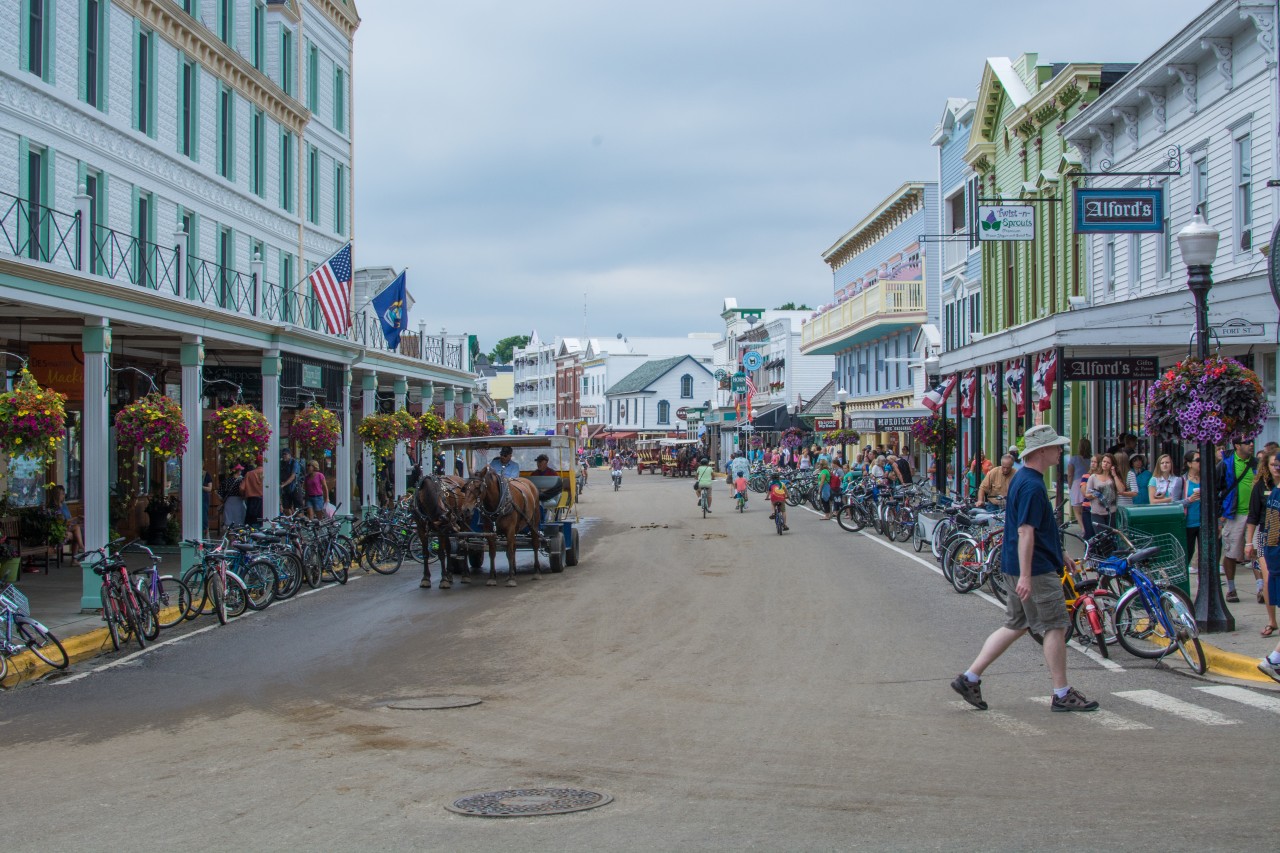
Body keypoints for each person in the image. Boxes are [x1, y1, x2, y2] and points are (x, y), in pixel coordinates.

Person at [952, 424, 1098, 713]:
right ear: (1041, 451)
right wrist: (1028, 576)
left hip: (1019, 564)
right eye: (1056, 447)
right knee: (1056, 625)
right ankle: (1061, 692)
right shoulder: (1032, 485)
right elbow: (1026, 532)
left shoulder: (1023, 480)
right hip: (1035, 569)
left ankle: (969, 677)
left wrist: (1062, 553)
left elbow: (1038, 529)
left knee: (1017, 623)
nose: (1061, 451)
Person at [1216, 437, 1259, 603]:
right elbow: (1216, 488)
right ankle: (1231, 589)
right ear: (1237, 446)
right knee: (1230, 553)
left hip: (1254, 515)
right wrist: (1220, 514)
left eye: (1252, 442)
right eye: (1247, 442)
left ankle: (1260, 588)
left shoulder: (1256, 464)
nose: (1251, 445)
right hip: (1233, 514)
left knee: (1256, 552)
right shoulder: (1226, 464)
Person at [1246, 450, 1280, 629]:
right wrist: (1248, 541)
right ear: (1266, 466)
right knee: (1268, 578)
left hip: (1276, 536)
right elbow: (1252, 515)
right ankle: (1271, 620)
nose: (1276, 468)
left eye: (1278, 464)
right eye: (1273, 464)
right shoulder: (1262, 485)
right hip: (1264, 534)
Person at [1086, 454, 1121, 530]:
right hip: (1097, 513)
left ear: (1112, 465)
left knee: (1111, 537)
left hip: (1111, 512)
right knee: (1101, 537)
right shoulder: (1093, 477)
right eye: (1104, 461)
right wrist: (1094, 495)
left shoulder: (1113, 478)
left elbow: (1121, 490)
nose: (1105, 464)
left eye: (1108, 462)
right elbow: (1087, 495)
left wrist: (1115, 475)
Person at [47, 484, 83, 555]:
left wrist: (76, 519)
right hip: (58, 529)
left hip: (67, 526)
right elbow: (60, 522)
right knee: (76, 529)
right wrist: (75, 519)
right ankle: (81, 547)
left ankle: (76, 558)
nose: (64, 496)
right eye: (62, 494)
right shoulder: (53, 508)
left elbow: (68, 518)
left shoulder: (64, 505)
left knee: (77, 531)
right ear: (57, 495)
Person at [1182, 450, 1202, 572]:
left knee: (1204, 554)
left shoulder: (1206, 479)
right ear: (1189, 464)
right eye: (1197, 460)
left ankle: (1203, 583)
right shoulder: (1182, 480)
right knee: (1188, 552)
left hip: (1203, 522)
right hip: (1188, 522)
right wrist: (1189, 500)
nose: (1200, 463)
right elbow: (1175, 502)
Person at [1067, 438, 1092, 531]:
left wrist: (1070, 486)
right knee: (1087, 508)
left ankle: (1083, 529)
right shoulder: (1091, 460)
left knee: (1077, 510)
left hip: (1077, 484)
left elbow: (1070, 475)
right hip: (1089, 483)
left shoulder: (1074, 459)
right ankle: (1088, 527)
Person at [220, 464, 246, 528]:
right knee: (239, 521)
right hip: (239, 501)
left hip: (229, 502)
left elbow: (219, 493)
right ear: (238, 471)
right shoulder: (242, 480)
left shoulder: (226, 481)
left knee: (229, 523)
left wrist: (222, 501)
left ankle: (230, 537)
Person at [242, 460, 264, 525]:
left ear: (255, 463)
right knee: (262, 522)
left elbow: (241, 488)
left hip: (251, 501)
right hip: (263, 501)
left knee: (250, 523)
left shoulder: (249, 474)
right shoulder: (267, 473)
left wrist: (243, 496)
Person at [201, 469, 213, 536]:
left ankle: (206, 535)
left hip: (204, 498)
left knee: (204, 517)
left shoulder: (206, 474)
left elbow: (209, 488)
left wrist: (201, 486)